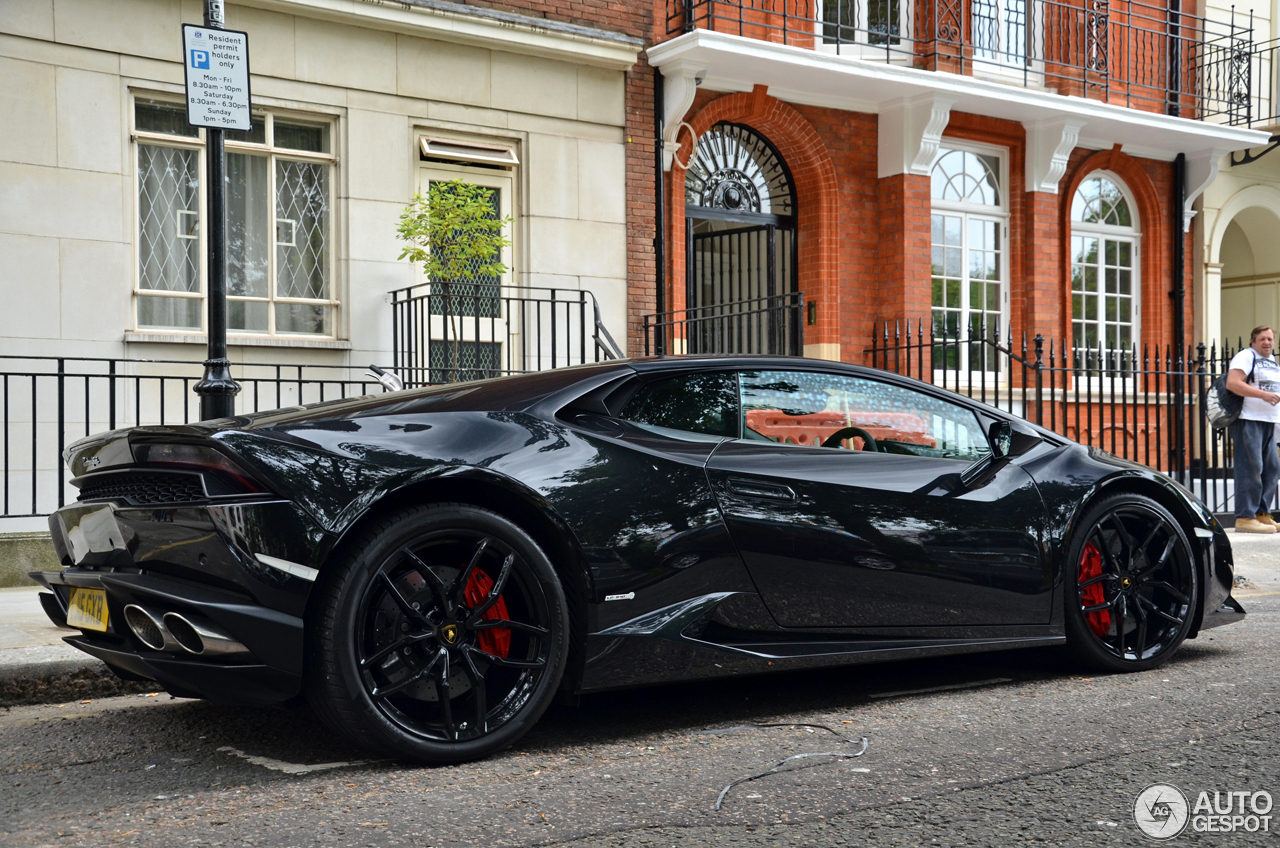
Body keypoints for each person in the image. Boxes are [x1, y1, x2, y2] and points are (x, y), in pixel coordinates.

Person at [1226, 326, 1280, 533]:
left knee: (1272, 468)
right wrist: (1262, 395)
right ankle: (1245, 517)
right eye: (1262, 339)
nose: (1266, 342)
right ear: (1253, 341)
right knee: (1251, 468)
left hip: (1268, 421)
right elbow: (1233, 383)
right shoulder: (1246, 356)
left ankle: (1261, 514)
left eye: (1270, 339)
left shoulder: (1272, 361)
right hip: (1248, 419)